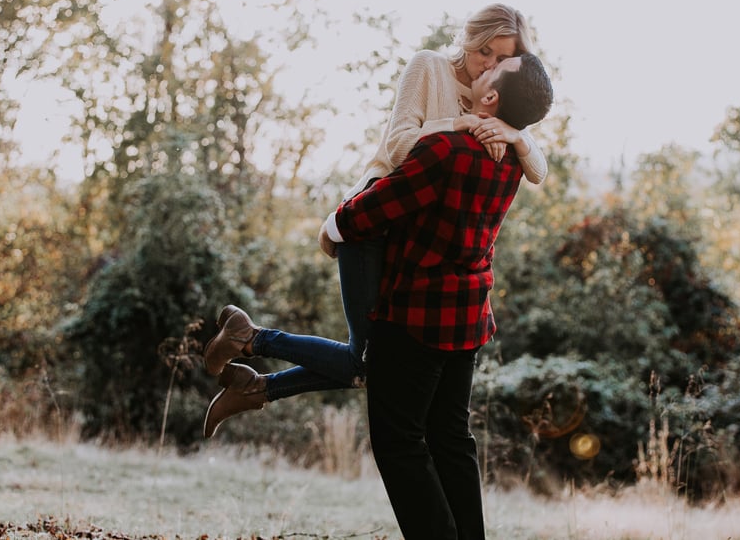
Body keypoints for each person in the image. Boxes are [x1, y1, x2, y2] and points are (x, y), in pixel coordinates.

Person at [204, 52, 553, 538]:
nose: (479, 71)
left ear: (490, 97)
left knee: (400, 444)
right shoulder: (510, 161)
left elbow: (365, 215)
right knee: (452, 439)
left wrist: (336, 222)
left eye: (490, 71)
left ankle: (255, 345)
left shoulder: (445, 150)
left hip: (415, 316)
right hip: (468, 319)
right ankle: (256, 363)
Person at [202, 4, 549, 419]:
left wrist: (516, 135)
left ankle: (255, 378)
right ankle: (255, 344)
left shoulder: (496, 100)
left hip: (413, 240)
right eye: (484, 52)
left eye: (500, 59)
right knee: (370, 363)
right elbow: (399, 146)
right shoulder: (429, 67)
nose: (487, 65)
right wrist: (461, 125)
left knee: (371, 363)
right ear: (470, 39)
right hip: (375, 216)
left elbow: (537, 171)